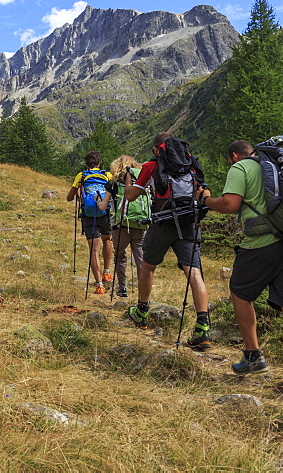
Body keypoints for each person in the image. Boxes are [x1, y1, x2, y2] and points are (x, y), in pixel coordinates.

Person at [202, 139, 283, 399]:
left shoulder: (241, 168)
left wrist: (207, 200)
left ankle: (253, 356)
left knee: (240, 292)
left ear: (233, 156)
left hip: (263, 242)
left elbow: (230, 205)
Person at [122, 133, 212, 350]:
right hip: (188, 222)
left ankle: (142, 311)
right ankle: (203, 325)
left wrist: (127, 183)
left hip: (162, 223)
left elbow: (131, 196)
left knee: (148, 266)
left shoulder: (152, 165)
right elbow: (205, 191)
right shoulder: (190, 163)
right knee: (194, 272)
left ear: (156, 149)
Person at [67, 150, 114, 295]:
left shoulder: (81, 176)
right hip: (105, 212)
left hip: (88, 215)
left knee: (94, 249)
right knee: (107, 239)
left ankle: (99, 285)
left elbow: (69, 197)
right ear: (100, 162)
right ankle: (107, 272)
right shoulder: (107, 175)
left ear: (86, 163)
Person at [103, 154, 149, 299]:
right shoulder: (142, 182)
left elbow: (103, 205)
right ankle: (144, 291)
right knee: (140, 257)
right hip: (140, 223)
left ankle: (122, 288)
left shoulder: (114, 183)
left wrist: (99, 201)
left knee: (120, 256)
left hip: (120, 225)